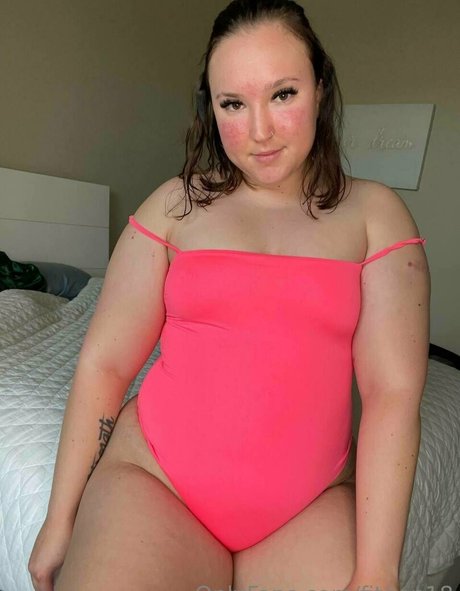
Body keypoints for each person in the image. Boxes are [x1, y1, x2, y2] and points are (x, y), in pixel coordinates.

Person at [28, 0, 430, 589]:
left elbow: (392, 394)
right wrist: (58, 521)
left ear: (320, 87)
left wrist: (377, 571)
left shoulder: (376, 215)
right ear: (210, 109)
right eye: (233, 104)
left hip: (309, 505)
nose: (260, 131)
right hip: (157, 484)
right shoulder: (174, 205)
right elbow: (105, 364)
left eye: (283, 94)